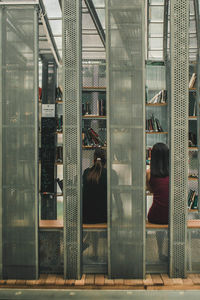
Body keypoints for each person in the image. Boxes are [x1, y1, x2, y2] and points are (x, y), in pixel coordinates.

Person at [146, 142, 169, 225]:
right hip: (171, 216)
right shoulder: (173, 174)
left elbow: (151, 190)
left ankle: (159, 239)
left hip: (155, 215)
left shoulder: (149, 173)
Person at [83, 147, 107, 224]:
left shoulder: (86, 172)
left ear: (93, 159)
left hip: (86, 217)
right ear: (105, 160)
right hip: (103, 217)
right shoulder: (110, 174)